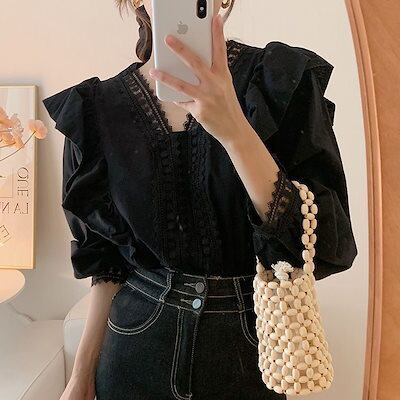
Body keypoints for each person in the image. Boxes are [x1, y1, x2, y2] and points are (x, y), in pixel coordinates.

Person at [42, 0, 358, 399]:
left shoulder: (279, 82)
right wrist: (80, 375)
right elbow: (107, 262)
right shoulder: (95, 110)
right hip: (134, 349)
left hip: (253, 348)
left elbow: (324, 247)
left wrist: (234, 129)